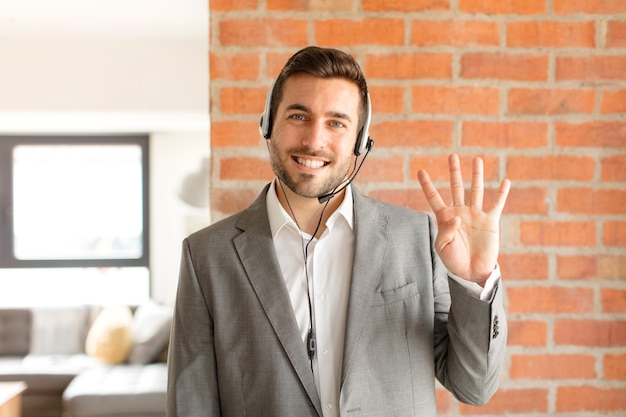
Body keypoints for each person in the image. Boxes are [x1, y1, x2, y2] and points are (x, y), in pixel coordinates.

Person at [167, 46, 511, 417]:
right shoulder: (207, 255)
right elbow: (191, 405)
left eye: (336, 122)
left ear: (360, 141)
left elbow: (473, 387)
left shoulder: (416, 237)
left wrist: (475, 279)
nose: (314, 140)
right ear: (268, 124)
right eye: (299, 115)